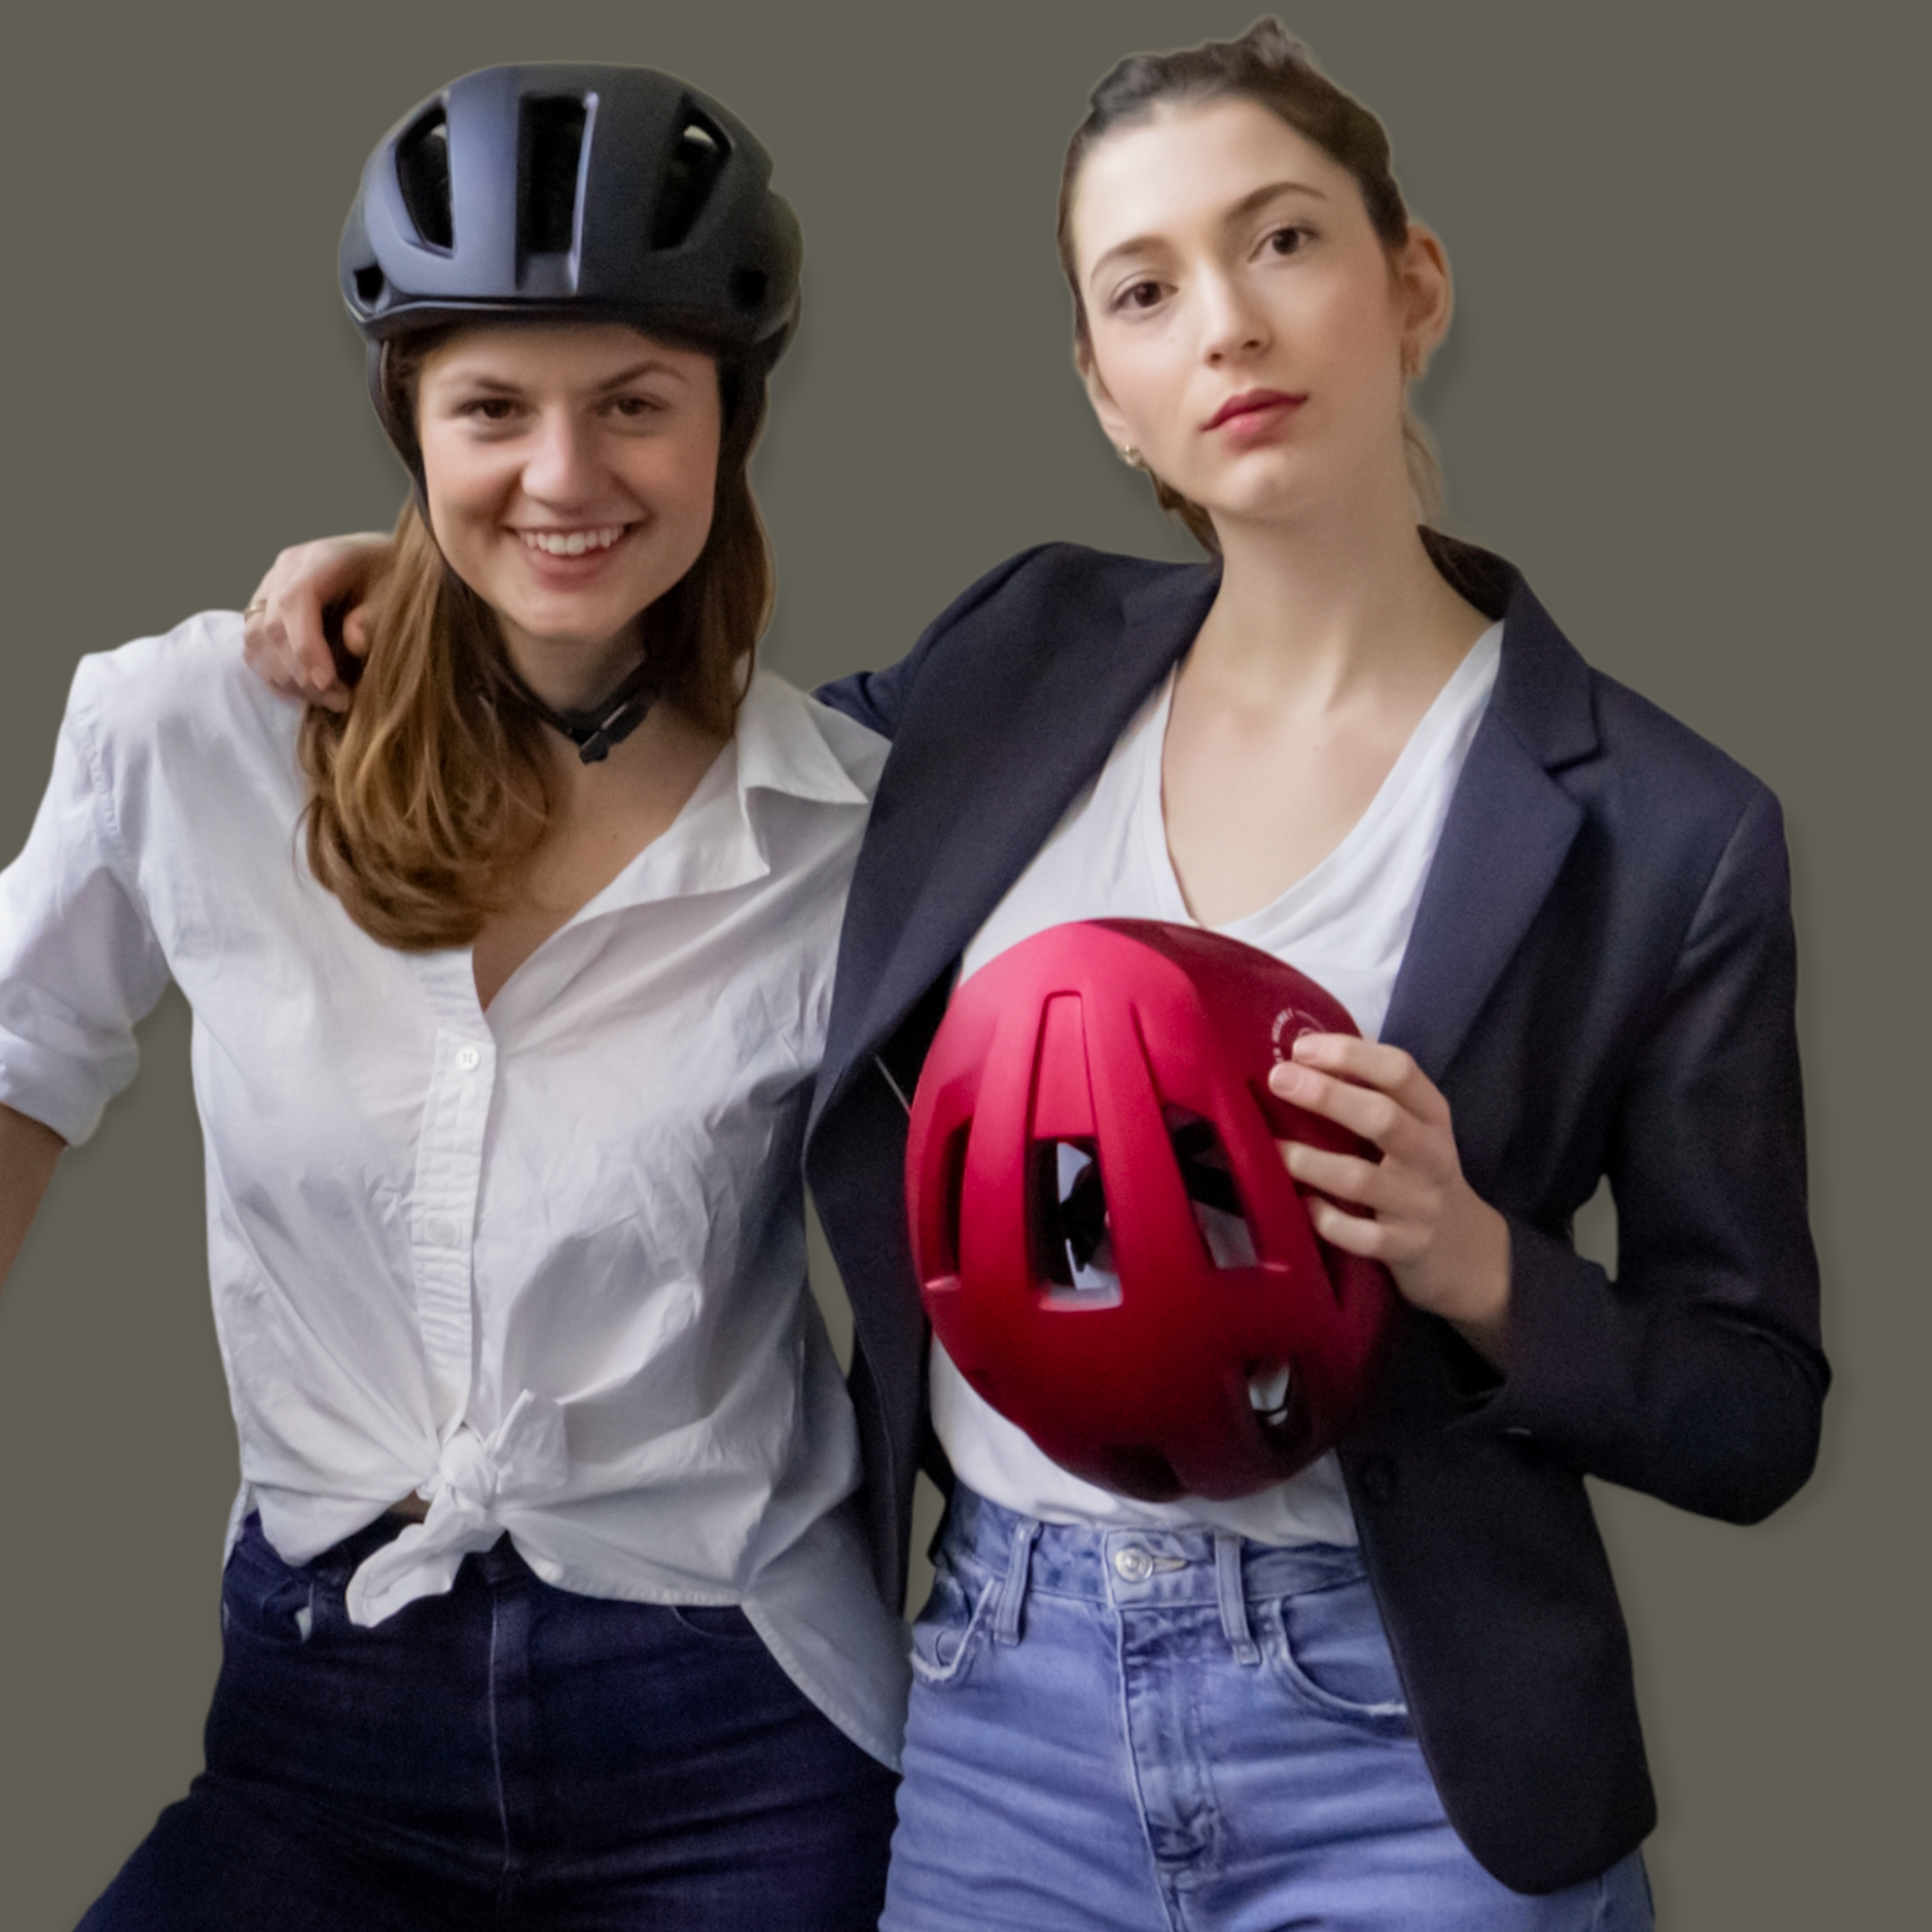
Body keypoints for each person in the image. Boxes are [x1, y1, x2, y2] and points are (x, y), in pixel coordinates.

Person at [248, 21, 1826, 1929]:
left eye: (1282, 243)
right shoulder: (1019, 653)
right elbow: (667, 765)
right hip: (996, 1704)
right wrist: (438, 572)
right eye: (1145, 288)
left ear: (1409, 285)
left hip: (1409, 1744)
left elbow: (1751, 1409)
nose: (1226, 325)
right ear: (1106, 392)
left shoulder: (1668, 824)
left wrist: (1478, 1261)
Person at [0, 62, 907, 1931]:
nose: (565, 479)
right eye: (492, 405)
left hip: (729, 1717)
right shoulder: (192, 739)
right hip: (317, 1708)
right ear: (406, 421)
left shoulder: (844, 828)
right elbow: (16, 1070)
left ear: (729, 422)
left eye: (634, 405)